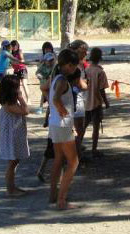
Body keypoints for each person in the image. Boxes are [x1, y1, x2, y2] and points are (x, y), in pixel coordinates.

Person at [48, 49, 82, 210]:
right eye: (75, 66)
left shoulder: (56, 78)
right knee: (74, 162)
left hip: (54, 124)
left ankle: (53, 194)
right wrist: (64, 112)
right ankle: (62, 200)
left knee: (58, 160)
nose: (76, 69)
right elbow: (55, 100)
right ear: (69, 65)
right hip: (62, 125)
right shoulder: (62, 81)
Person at [0, 75, 30, 197]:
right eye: (17, 87)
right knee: (12, 162)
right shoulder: (8, 104)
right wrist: (21, 98)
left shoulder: (10, 101)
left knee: (15, 161)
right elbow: (25, 111)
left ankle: (12, 186)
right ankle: (10, 190)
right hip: (11, 136)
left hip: (14, 134)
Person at [35, 43, 57, 182]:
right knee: (54, 151)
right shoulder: (52, 79)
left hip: (55, 123)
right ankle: (55, 179)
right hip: (57, 125)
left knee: (50, 151)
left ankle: (42, 171)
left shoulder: (54, 71)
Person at [84, 47, 109, 158]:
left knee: (82, 127)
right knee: (95, 128)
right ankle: (94, 149)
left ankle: (77, 145)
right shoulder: (100, 72)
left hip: (85, 102)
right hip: (96, 103)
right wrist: (106, 102)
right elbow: (101, 90)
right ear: (100, 58)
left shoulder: (87, 70)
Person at [67, 40, 89, 157]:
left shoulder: (80, 63)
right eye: (84, 52)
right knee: (79, 128)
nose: (86, 54)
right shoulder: (73, 64)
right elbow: (79, 84)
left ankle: (77, 150)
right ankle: (75, 154)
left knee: (80, 127)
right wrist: (87, 83)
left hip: (79, 98)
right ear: (77, 51)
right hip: (75, 98)